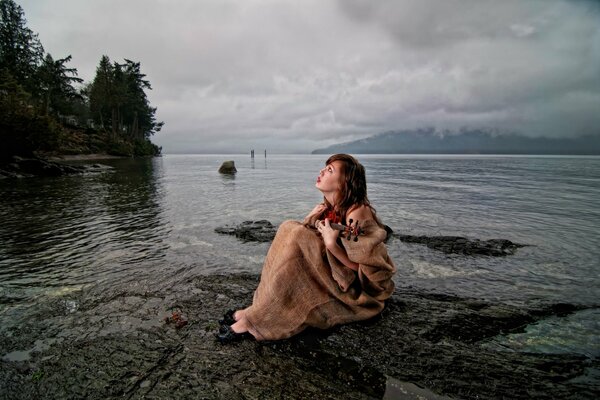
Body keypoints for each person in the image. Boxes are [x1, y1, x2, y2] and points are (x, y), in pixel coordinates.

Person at [217, 154, 396, 343]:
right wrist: (312, 219)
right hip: (336, 275)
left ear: (344, 182)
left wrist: (331, 245)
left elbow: (367, 270)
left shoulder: (357, 212)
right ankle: (258, 311)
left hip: (357, 290)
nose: (322, 171)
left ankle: (257, 321)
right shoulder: (328, 207)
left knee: (298, 237)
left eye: (330, 170)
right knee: (290, 228)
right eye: (325, 167)